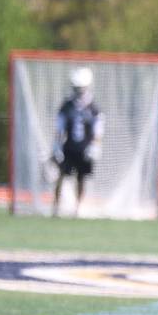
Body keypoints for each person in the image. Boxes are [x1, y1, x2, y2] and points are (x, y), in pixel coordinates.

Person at [52, 67, 104, 217]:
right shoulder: (67, 105)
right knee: (61, 176)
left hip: (84, 148)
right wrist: (57, 145)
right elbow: (60, 126)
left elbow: (98, 128)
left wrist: (95, 145)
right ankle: (55, 206)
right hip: (68, 147)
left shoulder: (93, 108)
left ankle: (78, 206)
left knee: (81, 178)